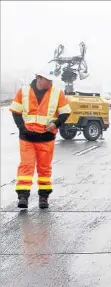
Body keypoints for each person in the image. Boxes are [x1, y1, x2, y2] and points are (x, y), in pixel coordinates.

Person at [9, 65, 72, 209]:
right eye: (48, 80)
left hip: (46, 138)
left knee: (44, 169)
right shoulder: (23, 91)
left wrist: (56, 124)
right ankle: (23, 197)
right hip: (27, 137)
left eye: (51, 80)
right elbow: (16, 111)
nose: (50, 83)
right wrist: (22, 128)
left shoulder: (57, 93)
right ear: (38, 78)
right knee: (26, 166)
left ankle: (43, 198)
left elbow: (65, 112)